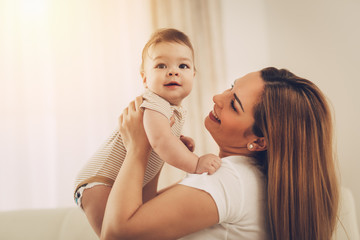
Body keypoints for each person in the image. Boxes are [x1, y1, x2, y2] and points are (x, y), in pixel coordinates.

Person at [100, 67, 339, 240]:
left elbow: (115, 233)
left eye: (234, 104)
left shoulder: (229, 179)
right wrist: (158, 144)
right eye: (231, 87)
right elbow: (147, 216)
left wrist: (137, 149)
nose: (218, 98)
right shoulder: (249, 179)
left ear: (259, 140)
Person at [74, 28, 221, 236]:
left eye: (183, 65)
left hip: (118, 181)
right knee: (118, 236)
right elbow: (160, 141)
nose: (173, 71)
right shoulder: (154, 103)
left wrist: (177, 143)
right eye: (161, 65)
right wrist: (195, 163)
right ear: (144, 78)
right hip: (101, 181)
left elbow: (159, 140)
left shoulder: (171, 108)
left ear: (193, 75)